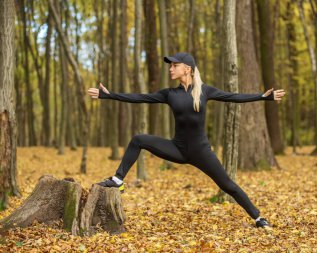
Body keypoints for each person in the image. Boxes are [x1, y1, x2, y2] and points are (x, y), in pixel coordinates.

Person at [87, 52, 286, 228]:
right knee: (138, 139)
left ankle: (258, 218)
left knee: (228, 186)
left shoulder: (205, 91)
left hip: (201, 152)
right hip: (177, 149)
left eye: (175, 65)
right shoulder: (169, 94)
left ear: (187, 69)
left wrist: (263, 97)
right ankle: (118, 180)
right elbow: (140, 97)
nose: (171, 68)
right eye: (170, 65)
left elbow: (233, 97)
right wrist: (109, 95)